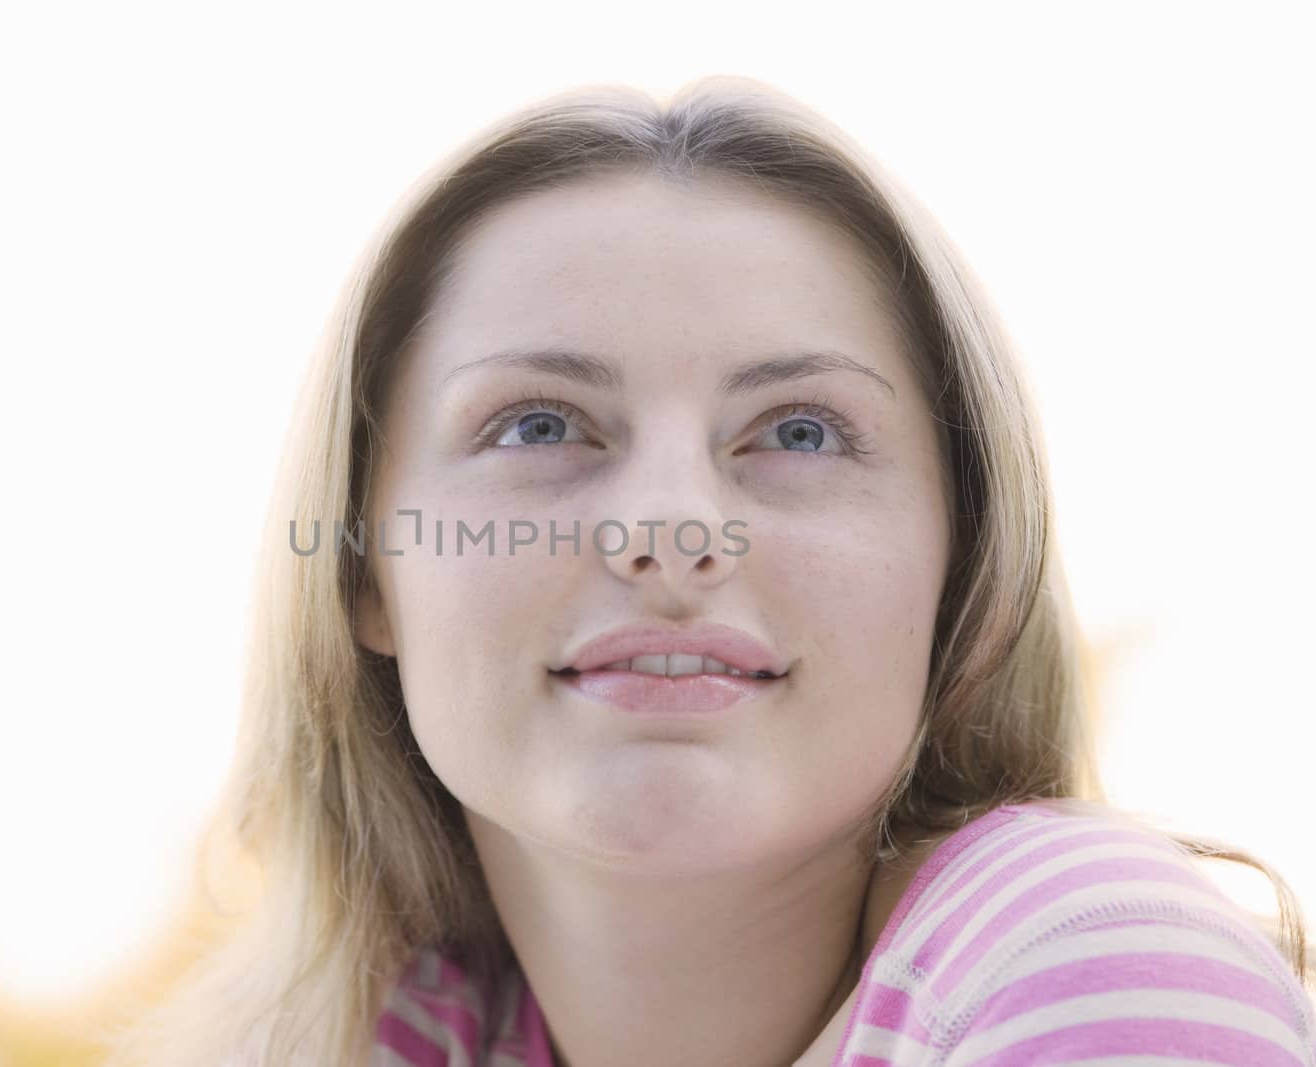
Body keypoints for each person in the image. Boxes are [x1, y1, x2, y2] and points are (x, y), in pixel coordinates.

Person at [98, 77, 1314, 1067]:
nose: (673, 527)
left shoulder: (1091, 963)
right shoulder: (359, 1036)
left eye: (797, 430)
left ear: (960, 563)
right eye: (537, 424)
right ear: (365, 569)